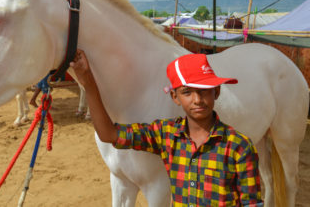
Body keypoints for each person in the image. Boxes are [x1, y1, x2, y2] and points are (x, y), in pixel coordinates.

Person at [70, 49, 263, 206]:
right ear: (175, 98)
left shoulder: (240, 147)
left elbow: (251, 203)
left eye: (204, 91)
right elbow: (109, 134)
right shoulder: (167, 135)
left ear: (217, 92)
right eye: (187, 92)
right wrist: (87, 81)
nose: (197, 100)